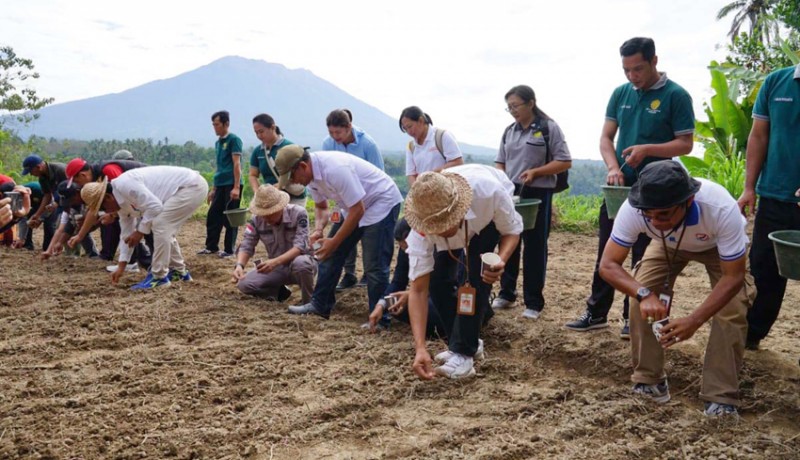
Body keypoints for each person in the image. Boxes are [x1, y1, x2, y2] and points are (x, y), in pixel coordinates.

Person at [599, 161, 752, 417]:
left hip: (717, 249)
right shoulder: (635, 208)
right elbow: (608, 265)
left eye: (664, 215)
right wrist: (644, 294)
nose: (655, 222)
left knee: (733, 309)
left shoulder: (721, 210)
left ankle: (721, 396)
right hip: (667, 245)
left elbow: (733, 277)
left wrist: (694, 320)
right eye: (649, 216)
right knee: (639, 297)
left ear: (688, 202)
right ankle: (650, 382)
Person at [565, 37, 695, 339]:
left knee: (644, 253)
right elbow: (606, 138)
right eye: (626, 70)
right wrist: (612, 167)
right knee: (608, 250)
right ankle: (596, 313)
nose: (631, 76)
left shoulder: (676, 95)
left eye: (637, 69)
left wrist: (647, 149)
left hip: (658, 189)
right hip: (620, 189)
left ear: (654, 61)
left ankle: (630, 315)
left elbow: (685, 144)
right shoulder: (620, 94)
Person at [404, 165, 523, 380]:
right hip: (461, 221)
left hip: (486, 221)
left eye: (447, 223)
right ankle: (463, 342)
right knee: (437, 282)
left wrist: (500, 261)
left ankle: (464, 355)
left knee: (475, 278)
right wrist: (420, 347)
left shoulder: (490, 193)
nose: (444, 229)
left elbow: (511, 231)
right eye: (437, 226)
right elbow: (418, 290)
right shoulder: (420, 232)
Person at [275, 145, 402, 325]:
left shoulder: (335, 169)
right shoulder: (310, 177)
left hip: (380, 202)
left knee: (374, 264)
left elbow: (359, 209)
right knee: (328, 253)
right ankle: (319, 305)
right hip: (353, 206)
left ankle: (381, 319)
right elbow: (321, 207)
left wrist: (334, 241)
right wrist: (319, 230)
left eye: (292, 177)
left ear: (303, 166)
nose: (294, 182)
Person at [492, 84, 572, 320]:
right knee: (508, 240)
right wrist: (502, 180)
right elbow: (500, 162)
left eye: (516, 105)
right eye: (509, 108)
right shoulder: (509, 131)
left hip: (538, 192)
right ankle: (506, 293)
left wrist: (537, 171)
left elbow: (564, 161)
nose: (513, 110)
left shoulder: (548, 128)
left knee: (535, 246)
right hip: (511, 192)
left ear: (531, 103)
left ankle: (534, 302)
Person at [737, 63, 800, 350]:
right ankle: (751, 335)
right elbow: (759, 135)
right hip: (774, 194)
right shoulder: (776, 82)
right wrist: (749, 187)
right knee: (763, 270)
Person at [80, 166, 208, 290]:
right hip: (184, 189)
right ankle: (178, 272)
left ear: (108, 197)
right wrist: (121, 266)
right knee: (162, 226)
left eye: (102, 208)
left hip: (191, 186)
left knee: (160, 225)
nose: (105, 212)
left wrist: (140, 232)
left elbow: (155, 207)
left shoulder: (126, 186)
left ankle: (159, 277)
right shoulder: (120, 204)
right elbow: (126, 235)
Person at [322, 108, 385, 292]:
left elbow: (379, 175)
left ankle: (367, 274)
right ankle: (348, 274)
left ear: (349, 127)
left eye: (338, 132)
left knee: (369, 238)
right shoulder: (328, 144)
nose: (335, 137)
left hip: (370, 200)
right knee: (341, 235)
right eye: (331, 132)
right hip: (344, 201)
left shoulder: (367, 144)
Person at [232, 184, 317, 303]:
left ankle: (309, 301)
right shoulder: (256, 220)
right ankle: (279, 293)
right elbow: (247, 243)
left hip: (300, 264)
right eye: (263, 213)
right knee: (245, 284)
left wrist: (275, 262)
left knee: (301, 263)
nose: (266, 217)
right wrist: (239, 265)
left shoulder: (299, 213)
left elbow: (300, 246)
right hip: (277, 267)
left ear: (280, 207)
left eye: (270, 213)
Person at [367, 218, 449, 338]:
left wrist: (411, 295)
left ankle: (442, 330)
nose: (407, 251)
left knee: (421, 303)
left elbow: (445, 286)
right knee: (393, 303)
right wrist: (381, 305)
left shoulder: (441, 247)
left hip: (447, 298)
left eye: (408, 247)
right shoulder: (406, 250)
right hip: (422, 295)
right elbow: (398, 281)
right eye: (404, 248)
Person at [64, 155, 149, 267]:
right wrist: (80, 236)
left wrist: (112, 214)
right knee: (111, 219)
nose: (79, 185)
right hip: (136, 199)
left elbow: (124, 194)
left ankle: (142, 262)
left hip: (148, 193)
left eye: (77, 180)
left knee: (146, 227)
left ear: (83, 175)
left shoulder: (108, 171)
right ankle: (132, 262)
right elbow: (93, 210)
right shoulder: (96, 179)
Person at [199, 110, 242, 258]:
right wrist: (213, 188)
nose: (215, 127)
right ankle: (211, 247)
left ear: (226, 124)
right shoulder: (218, 143)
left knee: (230, 217)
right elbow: (219, 166)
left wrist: (236, 187)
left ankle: (229, 250)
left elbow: (237, 164)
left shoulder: (234, 140)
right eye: (213, 125)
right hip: (220, 184)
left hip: (232, 183)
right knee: (213, 215)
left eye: (217, 124)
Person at [248, 113, 306, 205]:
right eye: (256, 133)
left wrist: (280, 185)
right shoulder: (258, 151)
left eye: (261, 131)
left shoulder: (288, 147)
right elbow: (253, 175)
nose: (259, 135)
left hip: (293, 198)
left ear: (272, 128)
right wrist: (257, 192)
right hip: (271, 199)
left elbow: (300, 172)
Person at [399, 106, 464, 187]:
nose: (409, 132)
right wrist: (416, 190)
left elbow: (458, 162)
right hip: (425, 194)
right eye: (405, 129)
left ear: (421, 121)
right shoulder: (411, 146)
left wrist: (431, 175)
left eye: (410, 126)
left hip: (446, 190)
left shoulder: (442, 136)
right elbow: (411, 174)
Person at [41, 181, 99, 260]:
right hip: (94, 218)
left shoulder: (91, 195)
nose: (71, 203)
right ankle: (93, 254)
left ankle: (107, 254)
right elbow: (66, 226)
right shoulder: (73, 206)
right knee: (79, 225)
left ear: (78, 193)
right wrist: (59, 243)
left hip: (108, 215)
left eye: (71, 200)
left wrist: (90, 221)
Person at [21, 154, 66, 251]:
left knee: (64, 226)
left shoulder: (60, 170)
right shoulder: (42, 178)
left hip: (71, 200)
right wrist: (37, 215)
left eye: (31, 171)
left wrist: (56, 203)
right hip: (59, 202)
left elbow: (68, 189)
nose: (31, 174)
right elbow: (47, 195)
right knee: (60, 226)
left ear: (38, 167)